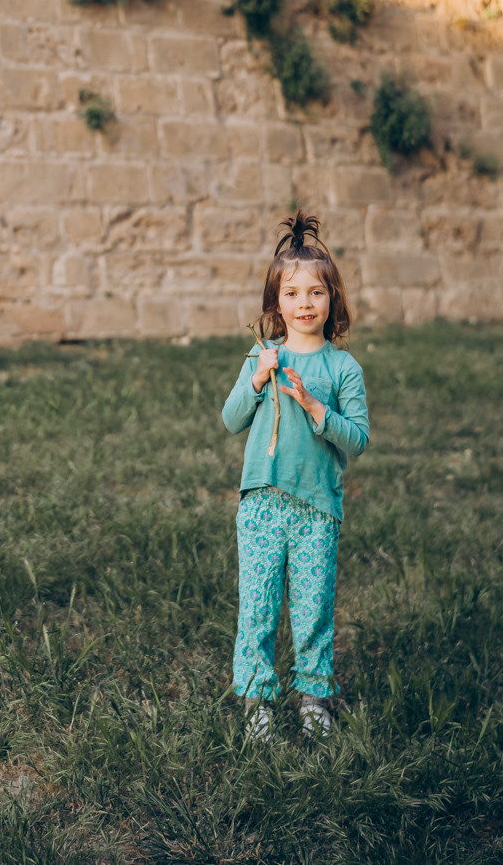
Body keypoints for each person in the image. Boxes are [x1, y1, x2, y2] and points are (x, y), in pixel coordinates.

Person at [221, 211, 369, 740]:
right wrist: (258, 381)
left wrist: (314, 407)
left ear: (333, 302)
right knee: (257, 605)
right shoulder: (262, 356)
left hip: (316, 509)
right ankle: (258, 696)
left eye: (316, 293)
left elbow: (357, 439)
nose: (304, 303)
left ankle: (313, 695)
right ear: (275, 303)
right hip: (262, 503)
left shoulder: (341, 369)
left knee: (312, 609)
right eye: (292, 293)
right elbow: (231, 419)